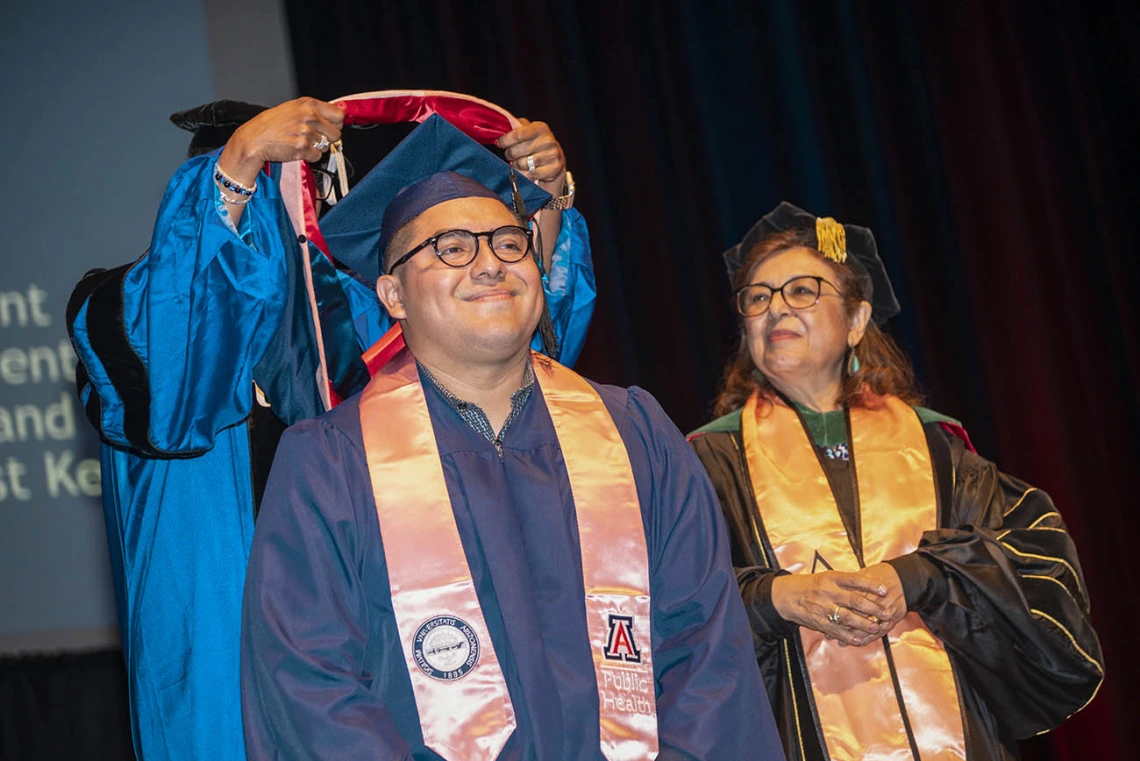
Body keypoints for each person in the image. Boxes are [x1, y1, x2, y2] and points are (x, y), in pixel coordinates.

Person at [66, 95, 595, 761]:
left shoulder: (346, 335)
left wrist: (543, 200)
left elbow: (511, 363)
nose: (269, 234)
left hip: (365, 674)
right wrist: (239, 164)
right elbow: (183, 357)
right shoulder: (126, 318)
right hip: (223, 667)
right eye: (245, 204)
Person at [240, 121, 781, 761]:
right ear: (392, 295)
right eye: (450, 248)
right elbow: (309, 683)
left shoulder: (636, 432)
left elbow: (707, 647)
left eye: (508, 242)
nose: (491, 263)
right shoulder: (330, 461)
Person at [687, 202, 1104, 761]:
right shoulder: (708, 460)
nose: (774, 309)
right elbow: (671, 601)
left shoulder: (937, 448)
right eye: (757, 297)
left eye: (802, 291)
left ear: (858, 320)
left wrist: (921, 576)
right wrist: (774, 595)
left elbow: (1035, 567)